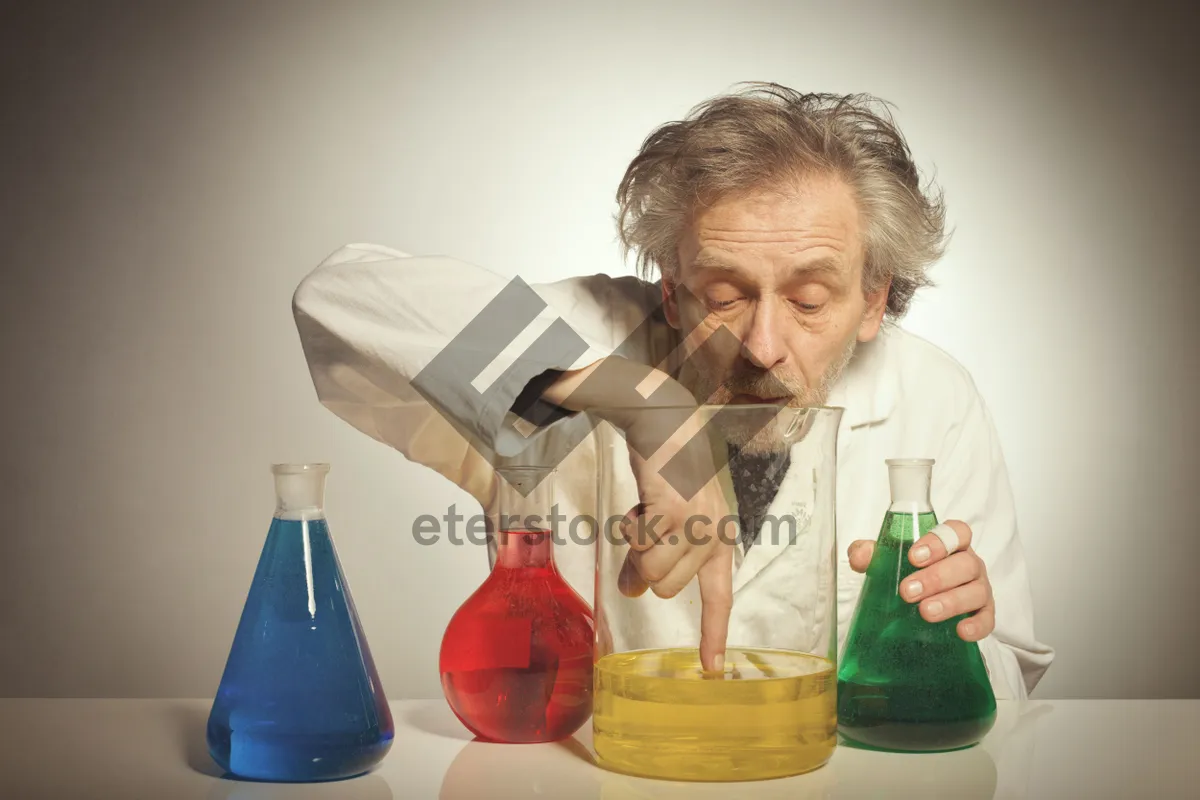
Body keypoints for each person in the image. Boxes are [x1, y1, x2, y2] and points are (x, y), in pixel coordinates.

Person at [292, 83, 1054, 699]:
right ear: (670, 293)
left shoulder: (932, 396)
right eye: (722, 295)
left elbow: (1009, 680)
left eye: (810, 300)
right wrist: (644, 403)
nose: (760, 345)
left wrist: (953, 633)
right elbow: (337, 297)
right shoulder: (595, 332)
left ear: (874, 298)